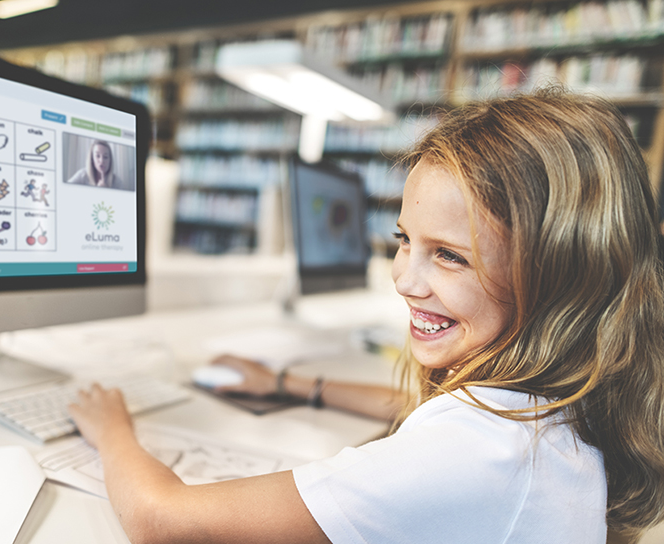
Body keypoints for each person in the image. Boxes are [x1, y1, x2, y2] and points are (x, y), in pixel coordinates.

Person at [68, 88, 664, 543]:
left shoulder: (473, 453)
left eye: (450, 257)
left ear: (557, 273)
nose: (404, 281)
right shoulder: (555, 406)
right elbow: (422, 415)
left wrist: (112, 428)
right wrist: (290, 385)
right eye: (405, 239)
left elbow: (161, 520)